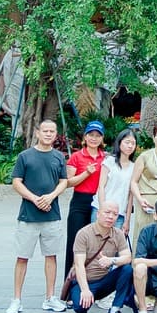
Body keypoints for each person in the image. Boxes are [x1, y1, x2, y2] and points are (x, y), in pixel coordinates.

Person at [8, 118, 70, 313]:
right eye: (45, 131)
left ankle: (50, 297)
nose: (49, 134)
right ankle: (16, 300)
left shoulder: (58, 157)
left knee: (51, 256)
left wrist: (51, 196)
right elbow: (16, 182)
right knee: (22, 257)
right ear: (37, 133)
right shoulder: (25, 156)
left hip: (52, 215)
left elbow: (64, 181)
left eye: (52, 131)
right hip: (28, 215)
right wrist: (34, 198)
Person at [69, 199, 135, 313]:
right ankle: (82, 312)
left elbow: (128, 257)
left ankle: (114, 310)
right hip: (86, 281)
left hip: (105, 280)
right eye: (107, 212)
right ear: (98, 214)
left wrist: (112, 260)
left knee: (127, 269)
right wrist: (85, 290)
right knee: (80, 306)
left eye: (115, 214)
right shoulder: (83, 234)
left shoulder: (118, 234)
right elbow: (78, 265)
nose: (110, 217)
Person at [63, 120, 109, 289]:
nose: (94, 138)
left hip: (99, 201)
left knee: (97, 243)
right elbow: (68, 182)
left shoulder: (106, 158)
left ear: (102, 139)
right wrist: (86, 173)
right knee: (75, 242)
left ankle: (95, 284)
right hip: (80, 201)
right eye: (91, 135)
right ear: (85, 137)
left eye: (97, 135)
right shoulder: (77, 156)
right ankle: (70, 286)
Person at [100, 127, 140, 230]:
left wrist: (127, 220)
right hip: (102, 210)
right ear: (119, 142)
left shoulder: (134, 167)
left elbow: (130, 196)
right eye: (127, 142)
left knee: (116, 240)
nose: (130, 146)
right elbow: (101, 187)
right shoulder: (109, 161)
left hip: (119, 214)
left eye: (133, 143)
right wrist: (102, 209)